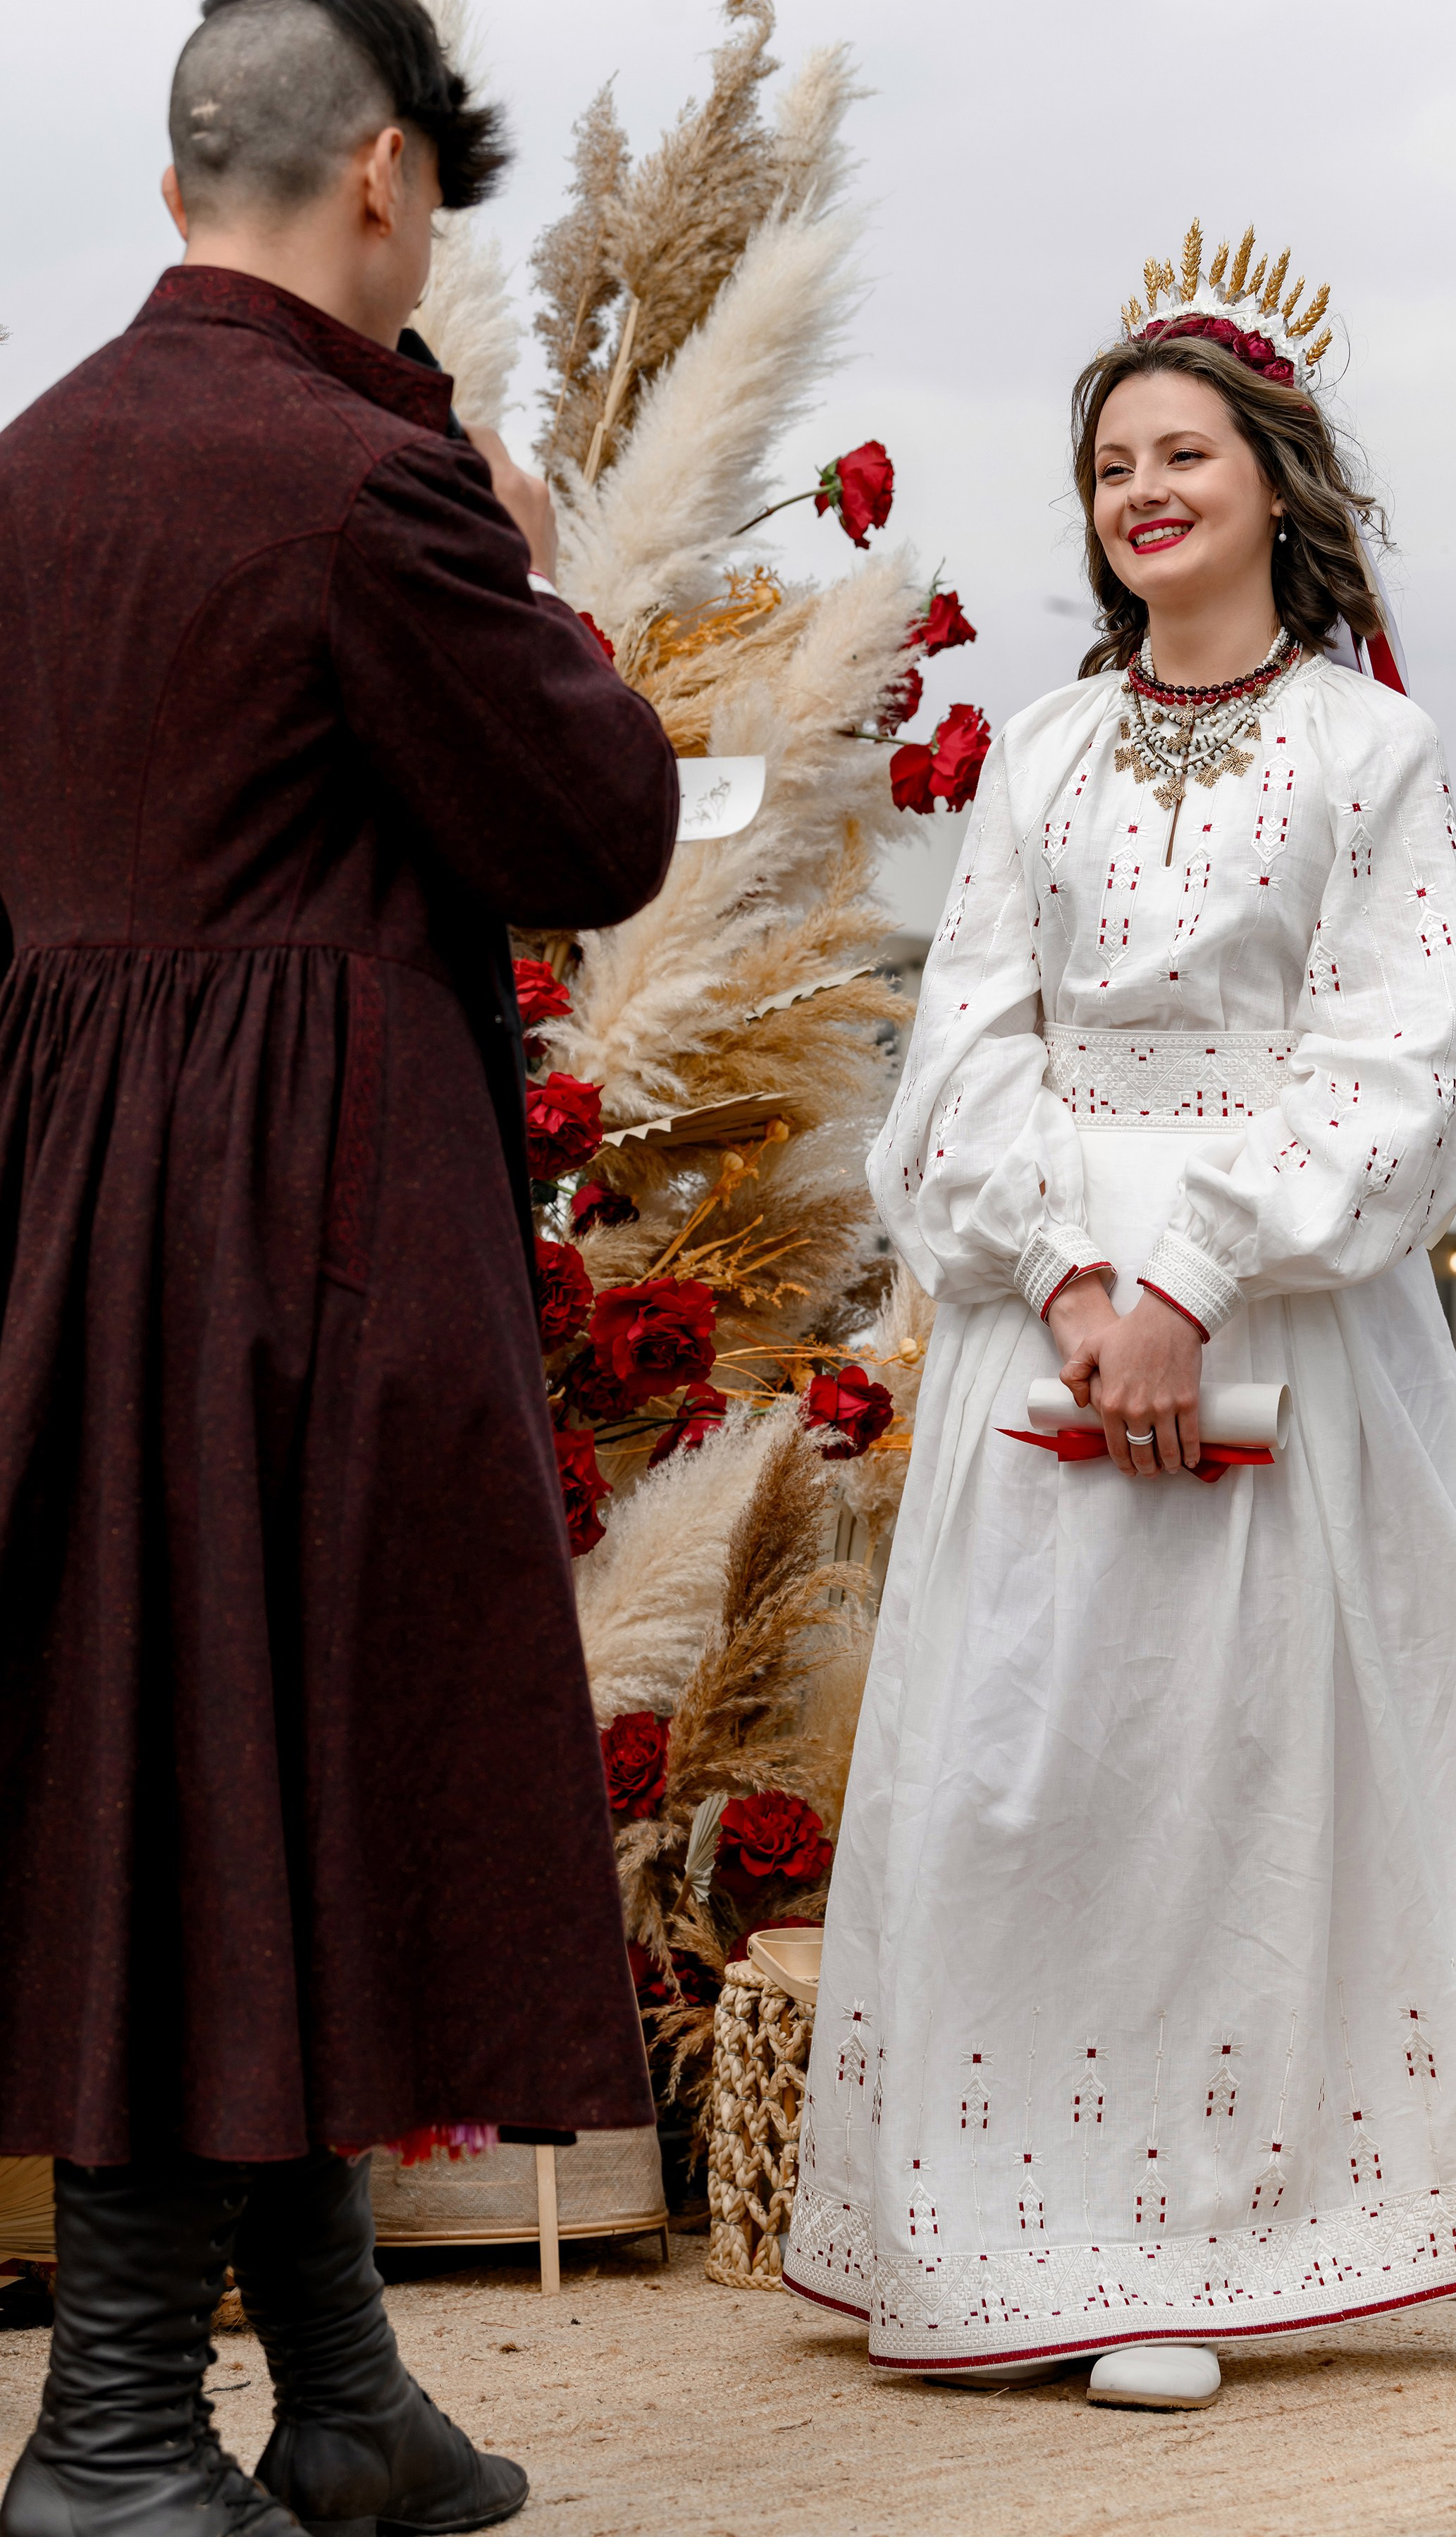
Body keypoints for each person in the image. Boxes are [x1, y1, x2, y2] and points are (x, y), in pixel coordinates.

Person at [782, 226, 1456, 2409]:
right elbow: (965, 1050)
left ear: (1274, 478)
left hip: (1285, 1329)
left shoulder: (1377, 750)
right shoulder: (1048, 758)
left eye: (1183, 451)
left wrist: (1192, 1275)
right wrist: (1085, 1281)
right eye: (1110, 464)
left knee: (1243, 1786)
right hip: (1045, 1322)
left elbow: (1393, 1075)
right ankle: (1017, 2237)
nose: (1142, 490)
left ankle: (1196, 2243)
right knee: (1038, 1783)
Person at [0, 0, 677, 2528]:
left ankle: (349, 2397)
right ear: (385, 173)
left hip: (67, 1193)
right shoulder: (363, 484)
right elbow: (591, 818)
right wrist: (501, 532)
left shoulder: (25, 466)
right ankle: (117, 2427)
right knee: (249, 1763)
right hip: (307, 1221)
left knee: (195, 1752)